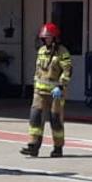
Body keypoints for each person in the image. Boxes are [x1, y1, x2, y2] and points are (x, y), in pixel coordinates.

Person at [21, 22, 71, 158]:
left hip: (56, 93)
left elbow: (67, 70)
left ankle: (58, 147)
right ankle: (33, 146)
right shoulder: (41, 51)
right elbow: (39, 71)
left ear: (55, 38)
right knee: (35, 118)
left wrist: (61, 86)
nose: (46, 40)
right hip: (39, 92)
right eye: (44, 38)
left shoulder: (63, 52)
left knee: (55, 120)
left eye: (49, 37)